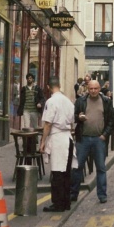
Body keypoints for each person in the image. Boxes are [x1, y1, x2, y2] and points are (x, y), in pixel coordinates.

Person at [74, 79, 114, 204]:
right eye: (91, 88)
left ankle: (102, 195)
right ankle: (73, 193)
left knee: (101, 168)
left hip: (99, 139)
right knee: (77, 167)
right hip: (83, 138)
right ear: (87, 88)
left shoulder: (106, 101)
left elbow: (112, 120)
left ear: (99, 89)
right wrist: (78, 117)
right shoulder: (81, 101)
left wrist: (105, 135)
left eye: (95, 88)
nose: (93, 91)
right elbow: (74, 116)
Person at [39, 78, 77, 212]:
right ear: (60, 86)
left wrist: (43, 141)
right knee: (66, 172)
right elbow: (72, 120)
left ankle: (58, 203)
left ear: (48, 87)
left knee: (57, 173)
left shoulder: (51, 101)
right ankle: (66, 202)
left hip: (58, 139)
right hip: (68, 137)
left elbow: (48, 123)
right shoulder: (68, 101)